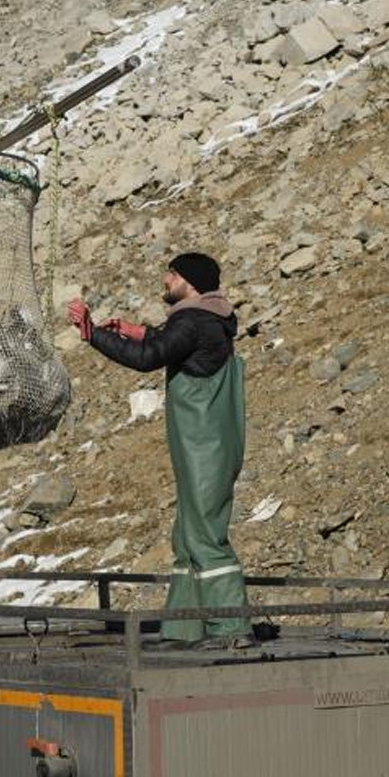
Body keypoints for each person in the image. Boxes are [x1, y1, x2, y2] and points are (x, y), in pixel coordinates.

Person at [67, 252, 254, 650]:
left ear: (191, 280)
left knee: (204, 535)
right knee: (187, 537)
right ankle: (185, 628)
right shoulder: (206, 318)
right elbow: (170, 345)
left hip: (205, 446)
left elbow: (149, 359)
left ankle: (232, 629)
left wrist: (91, 333)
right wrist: (138, 331)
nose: (166, 279)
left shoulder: (193, 320)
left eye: (173, 273)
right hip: (203, 444)